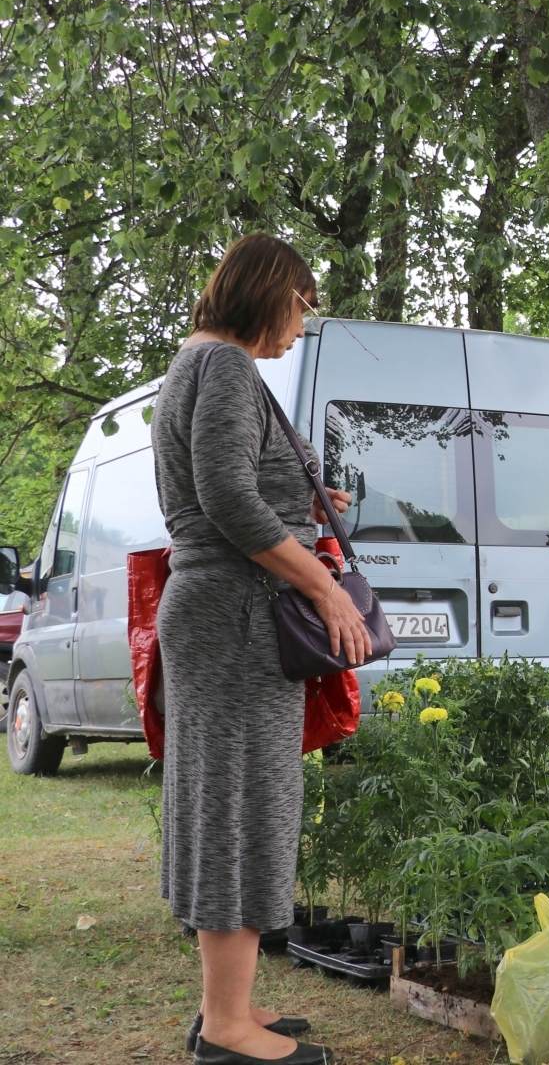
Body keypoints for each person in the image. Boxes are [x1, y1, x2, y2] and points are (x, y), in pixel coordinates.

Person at [152, 234, 370, 1065]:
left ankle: (228, 1007)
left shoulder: (198, 364)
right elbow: (227, 499)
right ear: (271, 291)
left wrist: (309, 498)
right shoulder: (228, 368)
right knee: (239, 805)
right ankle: (225, 1031)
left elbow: (234, 487)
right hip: (237, 614)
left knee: (228, 801)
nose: (305, 325)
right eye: (304, 305)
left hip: (221, 611)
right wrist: (319, 584)